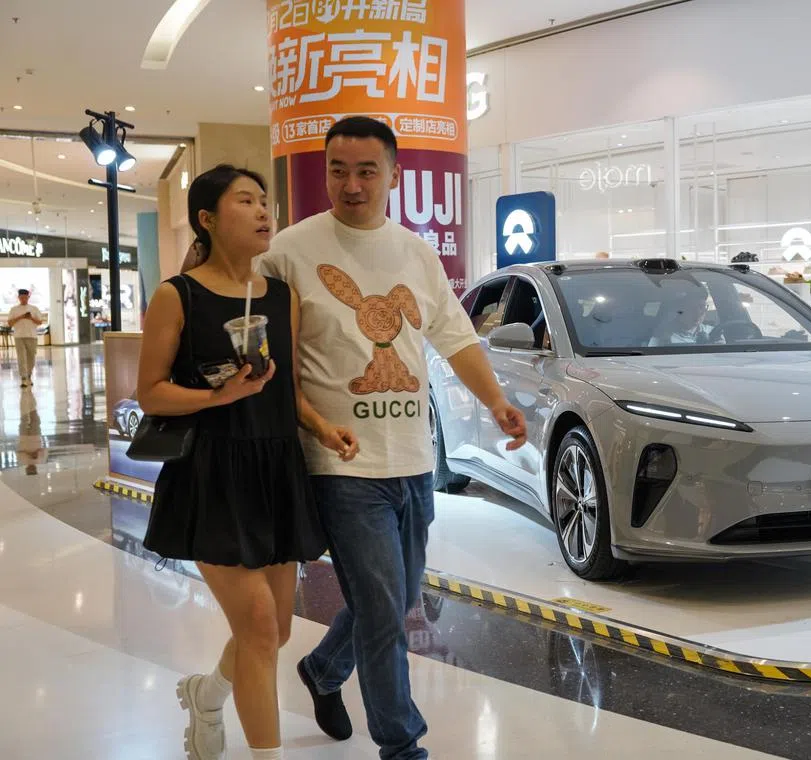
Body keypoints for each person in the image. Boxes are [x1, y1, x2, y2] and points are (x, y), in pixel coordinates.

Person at [259, 116, 527, 760]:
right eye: (337, 170)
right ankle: (401, 745)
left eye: (365, 170)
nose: (350, 185)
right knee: (383, 612)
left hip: (412, 457)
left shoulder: (415, 252)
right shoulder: (290, 252)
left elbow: (455, 336)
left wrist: (496, 401)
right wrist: (313, 425)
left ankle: (325, 670)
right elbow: (275, 362)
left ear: (393, 175)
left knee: (402, 595)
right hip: (339, 463)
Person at [137, 164, 359, 760]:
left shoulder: (279, 295)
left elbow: (282, 389)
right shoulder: (176, 295)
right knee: (261, 626)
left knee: (277, 630)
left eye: (265, 201)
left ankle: (207, 695)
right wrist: (218, 396)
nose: (265, 212)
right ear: (208, 219)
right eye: (246, 201)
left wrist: (321, 426)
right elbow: (150, 392)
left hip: (275, 468)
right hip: (211, 471)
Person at [7, 289, 44, 387]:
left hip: (32, 336)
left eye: (25, 297)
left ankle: (29, 375)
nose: (23, 299)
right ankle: (23, 378)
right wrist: (21, 317)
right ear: (18, 298)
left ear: (28, 297)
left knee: (31, 357)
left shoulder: (34, 308)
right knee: (21, 357)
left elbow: (40, 322)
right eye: (21, 297)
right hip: (19, 336)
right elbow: (10, 323)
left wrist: (31, 318)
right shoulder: (14, 309)